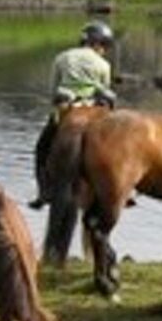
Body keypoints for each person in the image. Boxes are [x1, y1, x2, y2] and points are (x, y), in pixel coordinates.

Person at [31, 20, 116, 208]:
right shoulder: (103, 65)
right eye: (104, 46)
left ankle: (43, 191)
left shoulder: (62, 57)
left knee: (41, 148)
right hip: (95, 108)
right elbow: (105, 90)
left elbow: (53, 88)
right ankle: (121, 190)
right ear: (97, 43)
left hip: (66, 108)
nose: (104, 50)